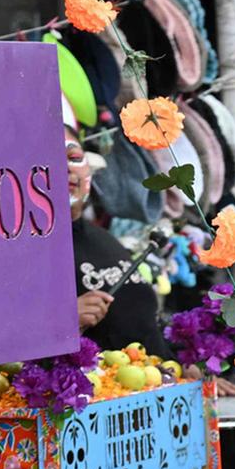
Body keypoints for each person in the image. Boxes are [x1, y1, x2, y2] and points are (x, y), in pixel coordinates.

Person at [66, 132, 161, 351]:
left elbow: (145, 328)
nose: (67, 168)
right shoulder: (23, 251)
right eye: (51, 158)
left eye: (74, 158)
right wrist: (62, 321)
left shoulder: (104, 238)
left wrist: (183, 367)